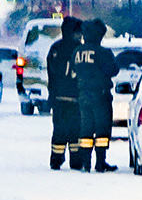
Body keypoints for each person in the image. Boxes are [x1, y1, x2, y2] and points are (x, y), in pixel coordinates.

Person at [74, 19, 120, 172]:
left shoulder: (77, 52)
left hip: (82, 95)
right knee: (102, 129)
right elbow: (113, 70)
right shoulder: (103, 53)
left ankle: (86, 162)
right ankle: (100, 162)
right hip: (100, 95)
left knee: (85, 127)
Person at [46, 17, 83, 169]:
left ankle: (56, 159)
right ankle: (76, 161)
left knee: (59, 130)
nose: (80, 35)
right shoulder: (80, 50)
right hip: (76, 98)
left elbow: (51, 74)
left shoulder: (55, 48)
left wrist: (52, 94)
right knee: (75, 130)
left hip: (58, 98)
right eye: (79, 33)